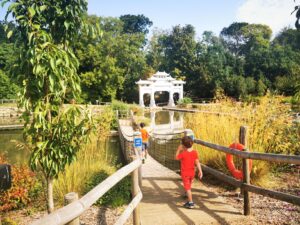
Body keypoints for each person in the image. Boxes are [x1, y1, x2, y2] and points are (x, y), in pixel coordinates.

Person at [175, 136, 203, 209]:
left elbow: (176, 157)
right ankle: (187, 196)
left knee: (188, 188)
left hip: (185, 174)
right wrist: (200, 171)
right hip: (192, 173)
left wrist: (178, 149)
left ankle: (191, 203)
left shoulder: (183, 153)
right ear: (192, 143)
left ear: (183, 145)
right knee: (189, 186)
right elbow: (197, 162)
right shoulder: (194, 152)